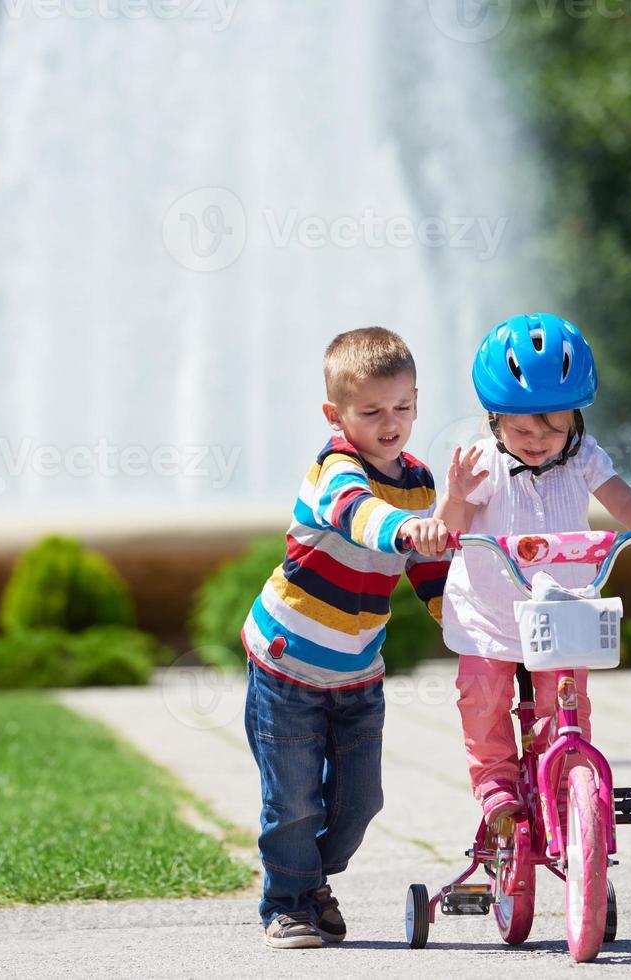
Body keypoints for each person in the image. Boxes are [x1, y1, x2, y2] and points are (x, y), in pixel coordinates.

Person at [240, 326, 452, 948]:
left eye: (404, 407)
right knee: (296, 803)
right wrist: (409, 531)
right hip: (289, 665)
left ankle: (306, 879)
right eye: (372, 411)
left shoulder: (417, 480)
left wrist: (463, 624)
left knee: (360, 805)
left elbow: (431, 573)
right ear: (336, 415)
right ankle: (288, 904)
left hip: (358, 671)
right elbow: (359, 515)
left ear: (417, 399)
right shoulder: (335, 470)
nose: (391, 422)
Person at [439, 313, 631, 824]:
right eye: (521, 428)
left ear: (577, 419)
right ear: (494, 421)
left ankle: (567, 780)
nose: (537, 439)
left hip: (560, 611)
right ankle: (496, 787)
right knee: (483, 698)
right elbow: (449, 530)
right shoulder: (481, 464)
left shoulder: (583, 459)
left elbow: (620, 499)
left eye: (554, 426)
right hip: (490, 617)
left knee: (566, 703)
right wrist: (456, 497)